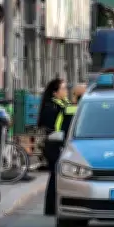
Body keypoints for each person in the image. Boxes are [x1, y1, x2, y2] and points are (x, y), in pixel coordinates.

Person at [38, 78, 70, 216]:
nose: (66, 91)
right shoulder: (52, 107)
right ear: (55, 92)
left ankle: (52, 207)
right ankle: (50, 208)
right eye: (63, 88)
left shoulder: (60, 104)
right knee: (55, 175)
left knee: (55, 174)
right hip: (53, 144)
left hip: (56, 143)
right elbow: (54, 127)